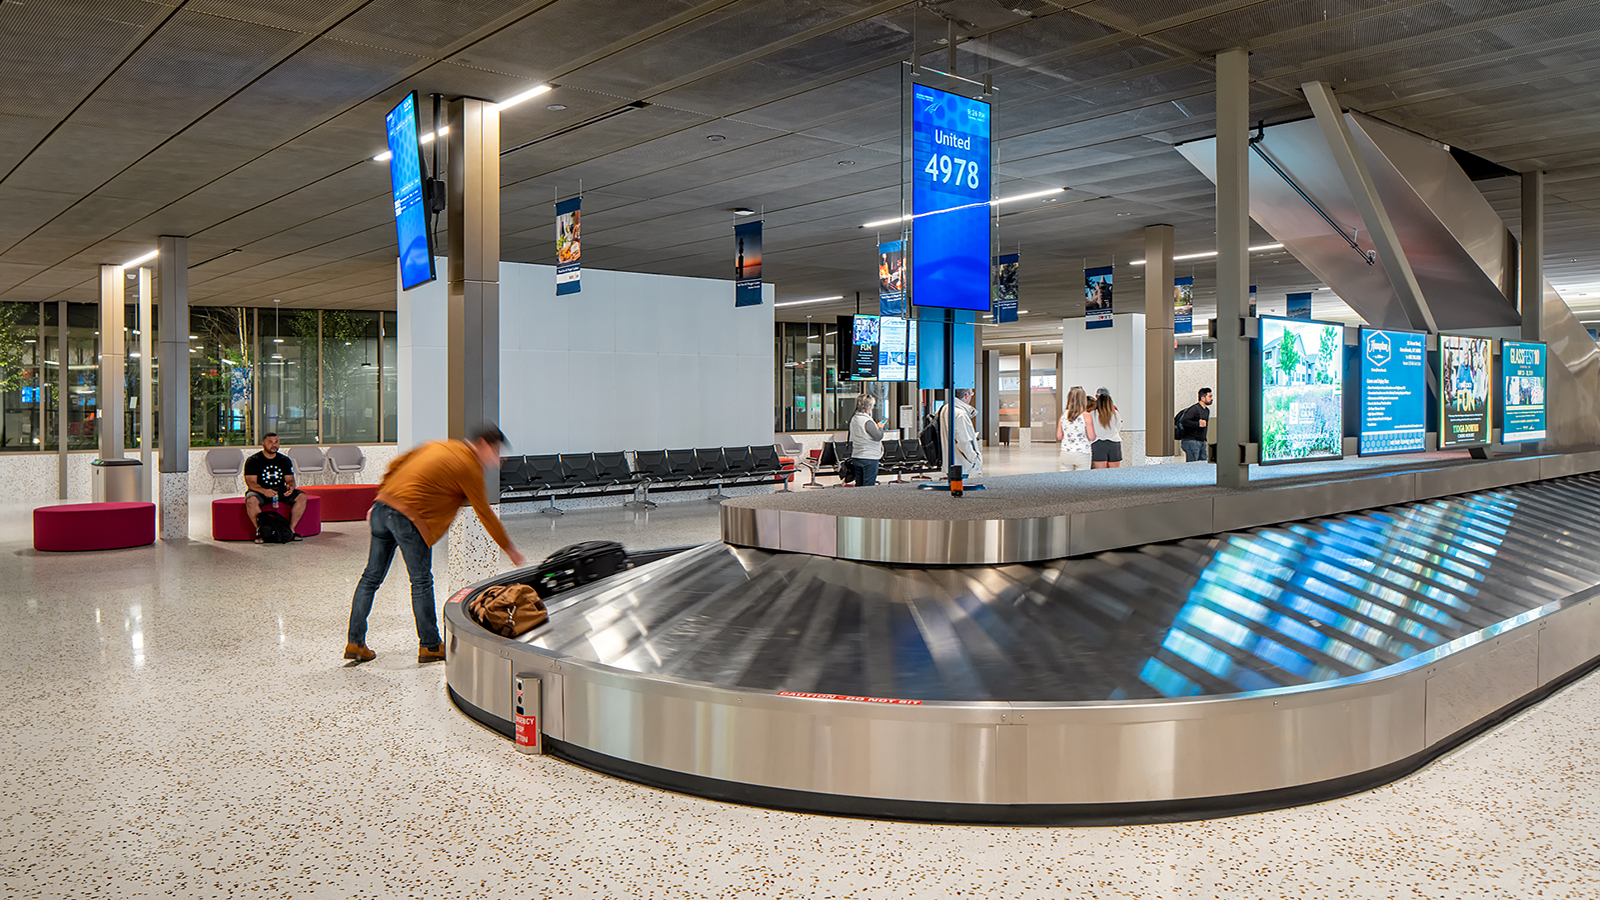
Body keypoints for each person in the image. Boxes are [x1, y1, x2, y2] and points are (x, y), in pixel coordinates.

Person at [344, 424, 527, 665]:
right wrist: (509, 548)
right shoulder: (469, 466)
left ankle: (355, 642)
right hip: (409, 518)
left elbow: (397, 465)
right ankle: (430, 645)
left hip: (382, 508)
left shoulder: (439, 445)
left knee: (370, 578)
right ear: (482, 444)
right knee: (421, 581)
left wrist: (382, 499)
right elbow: (484, 512)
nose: (496, 459)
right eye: (494, 452)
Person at [243, 432, 308, 541]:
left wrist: (291, 487)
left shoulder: (284, 460)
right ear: (263, 444)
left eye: (276, 442)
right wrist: (264, 491)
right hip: (260, 490)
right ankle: (261, 532)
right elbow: (251, 483)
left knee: (302, 496)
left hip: (280, 490)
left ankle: (290, 530)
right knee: (251, 500)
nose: (274, 445)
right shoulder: (253, 460)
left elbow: (290, 480)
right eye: (270, 442)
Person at [937, 388, 982, 479]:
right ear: (966, 395)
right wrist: (974, 458)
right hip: (961, 462)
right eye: (971, 394)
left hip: (950, 460)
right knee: (961, 487)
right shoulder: (960, 414)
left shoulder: (946, 409)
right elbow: (963, 441)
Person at [848, 394, 885, 486]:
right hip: (869, 456)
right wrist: (880, 428)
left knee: (859, 484)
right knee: (868, 485)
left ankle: (858, 500)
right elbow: (878, 436)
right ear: (869, 406)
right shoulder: (867, 420)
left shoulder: (854, 419)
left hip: (857, 455)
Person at [1057, 386, 1092, 471]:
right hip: (1082, 452)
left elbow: (1059, 436)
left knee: (1065, 480)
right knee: (1082, 481)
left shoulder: (1064, 414)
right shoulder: (1086, 415)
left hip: (1065, 452)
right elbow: (1092, 437)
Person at [1177, 387, 1213, 462]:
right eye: (1209, 396)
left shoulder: (1206, 410)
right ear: (1202, 398)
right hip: (1191, 441)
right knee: (1193, 464)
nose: (1211, 399)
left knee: (1203, 463)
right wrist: (1198, 424)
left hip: (1201, 441)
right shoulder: (1194, 409)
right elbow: (1184, 421)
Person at [1091, 387, 1123, 469]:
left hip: (1098, 444)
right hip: (1114, 443)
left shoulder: (1092, 414)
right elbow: (1119, 427)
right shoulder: (1115, 413)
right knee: (1114, 473)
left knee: (1101, 474)